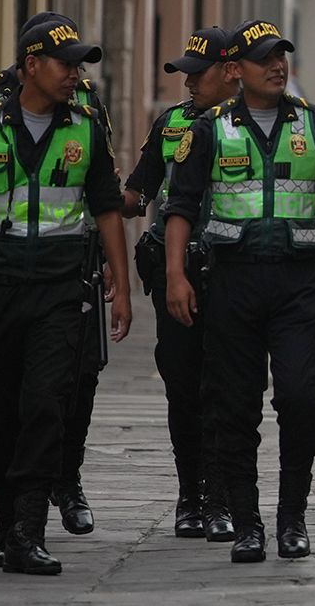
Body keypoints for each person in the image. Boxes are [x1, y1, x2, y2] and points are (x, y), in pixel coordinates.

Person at [0, 16, 131, 575]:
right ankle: (4, 519)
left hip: (59, 287)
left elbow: (107, 210)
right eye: (66, 64)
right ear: (31, 66)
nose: (75, 75)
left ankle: (28, 530)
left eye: (79, 66)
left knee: (46, 403)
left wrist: (121, 285)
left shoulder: (86, 128)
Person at [161, 18, 315, 563]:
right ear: (235, 70)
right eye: (265, 59)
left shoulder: (313, 124)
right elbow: (180, 206)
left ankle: (292, 516)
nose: (278, 66)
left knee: (301, 398)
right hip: (233, 281)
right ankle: (248, 523)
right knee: (234, 407)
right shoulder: (210, 129)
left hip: (297, 283)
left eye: (282, 57)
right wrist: (176, 275)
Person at [120, 27, 240, 542]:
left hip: (233, 272)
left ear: (230, 72)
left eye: (198, 73)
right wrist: (104, 197)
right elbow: (139, 191)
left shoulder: (253, 124)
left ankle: (220, 498)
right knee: (183, 387)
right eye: (184, 74)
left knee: (227, 388)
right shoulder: (171, 124)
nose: (189, 82)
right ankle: (190, 494)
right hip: (177, 273)